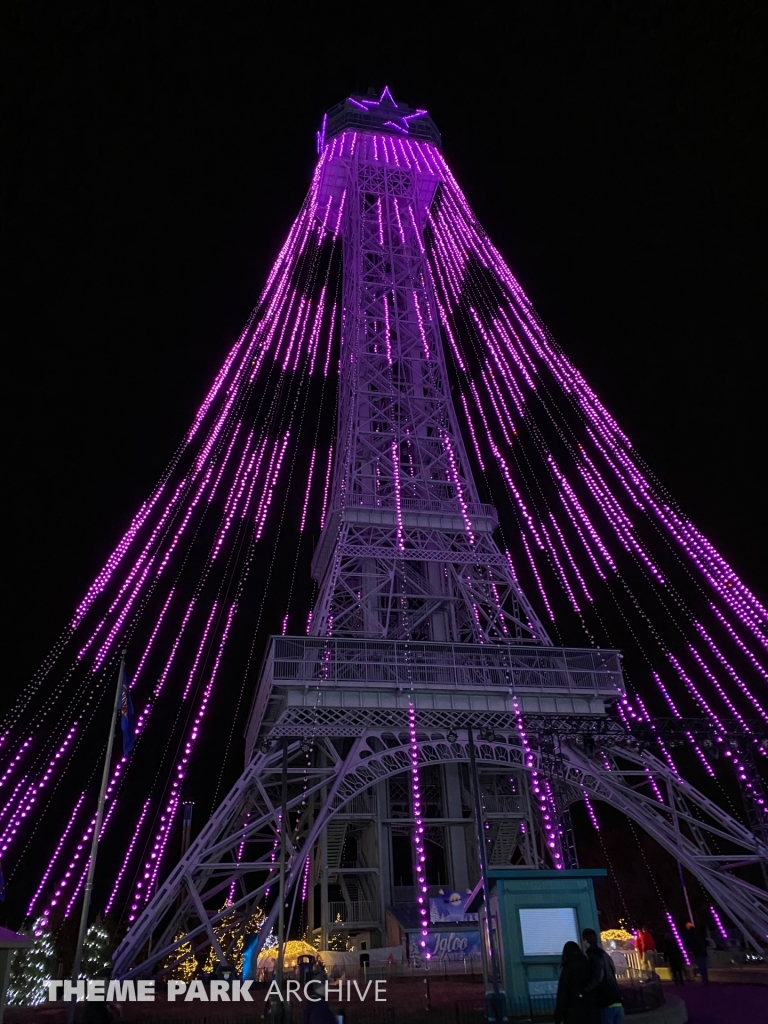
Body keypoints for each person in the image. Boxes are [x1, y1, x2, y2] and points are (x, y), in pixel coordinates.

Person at [582, 928, 624, 1024]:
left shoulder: (594, 956)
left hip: (606, 1002)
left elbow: (598, 978)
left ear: (585, 941)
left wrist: (585, 990)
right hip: (616, 999)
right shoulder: (604, 954)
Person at [554, 942, 599, 1024]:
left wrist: (558, 1017)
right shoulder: (589, 964)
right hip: (591, 1012)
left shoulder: (568, 968)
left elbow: (562, 994)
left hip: (573, 1014)